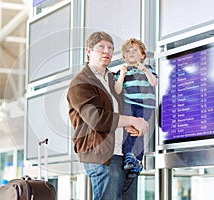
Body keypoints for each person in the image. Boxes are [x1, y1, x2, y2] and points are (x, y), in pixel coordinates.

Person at [67, 31, 149, 200]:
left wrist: (139, 125)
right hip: (102, 156)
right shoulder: (80, 82)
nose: (107, 52)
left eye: (110, 48)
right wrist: (134, 120)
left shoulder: (114, 78)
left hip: (125, 155)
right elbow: (97, 119)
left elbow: (128, 107)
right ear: (89, 51)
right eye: (101, 47)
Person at [114, 38, 158, 178]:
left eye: (135, 50)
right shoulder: (122, 71)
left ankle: (137, 160)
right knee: (130, 129)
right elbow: (117, 90)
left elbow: (154, 82)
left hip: (145, 106)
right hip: (129, 104)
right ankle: (129, 156)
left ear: (143, 55)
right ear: (124, 56)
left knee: (138, 131)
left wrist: (144, 69)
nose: (131, 53)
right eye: (128, 51)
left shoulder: (148, 69)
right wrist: (121, 76)